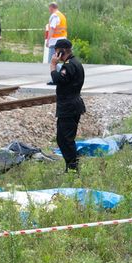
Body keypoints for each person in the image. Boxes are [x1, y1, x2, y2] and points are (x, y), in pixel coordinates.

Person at [49, 39, 85, 173]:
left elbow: (58, 79)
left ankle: (73, 170)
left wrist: (53, 66)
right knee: (61, 139)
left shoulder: (69, 65)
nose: (54, 53)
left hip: (69, 107)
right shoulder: (74, 63)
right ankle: (70, 167)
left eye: (56, 50)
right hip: (70, 106)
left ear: (62, 50)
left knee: (66, 140)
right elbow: (65, 81)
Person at [45, 2, 68, 83]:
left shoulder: (54, 16)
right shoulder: (62, 16)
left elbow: (52, 28)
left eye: (49, 8)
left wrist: (48, 40)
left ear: (51, 7)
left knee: (52, 61)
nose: (49, 10)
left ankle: (64, 73)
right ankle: (60, 77)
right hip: (63, 41)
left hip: (55, 42)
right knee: (58, 59)